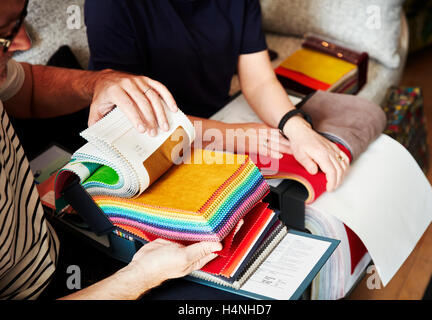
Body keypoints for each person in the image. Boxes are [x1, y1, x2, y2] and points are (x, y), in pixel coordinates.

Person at [0, 0, 222, 300]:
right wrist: (140, 277)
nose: (25, 41)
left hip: (54, 245)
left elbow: (25, 90)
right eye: (3, 35)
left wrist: (100, 81)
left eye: (18, 22)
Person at [85, 0, 351, 193]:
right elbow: (126, 117)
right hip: (147, 144)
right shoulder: (111, 6)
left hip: (216, 115)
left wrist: (296, 127)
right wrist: (234, 135)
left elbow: (258, 81)